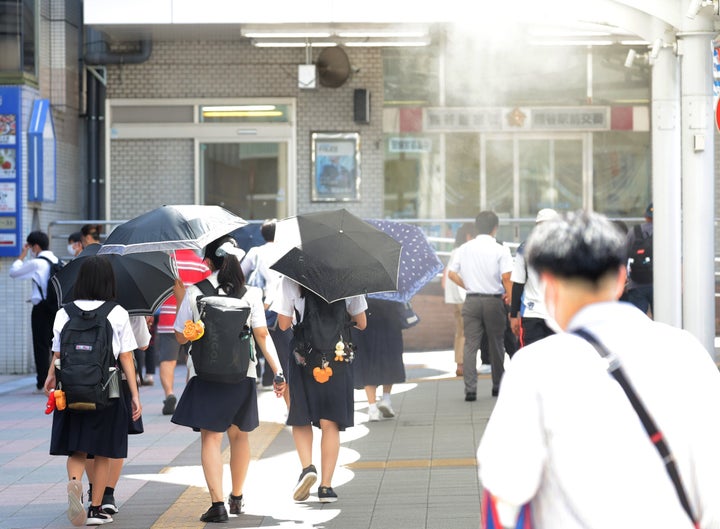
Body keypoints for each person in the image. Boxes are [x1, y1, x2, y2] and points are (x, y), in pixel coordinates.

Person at [477, 210, 720, 529]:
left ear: (549, 286)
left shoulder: (535, 366)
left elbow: (507, 489)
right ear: (622, 278)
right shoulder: (687, 351)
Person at [171, 236, 285, 523]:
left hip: (204, 375)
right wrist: (278, 371)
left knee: (211, 438)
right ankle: (237, 497)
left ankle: (217, 504)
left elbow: (180, 336)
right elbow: (262, 335)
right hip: (241, 373)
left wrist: (184, 307)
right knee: (239, 435)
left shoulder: (195, 291)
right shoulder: (251, 294)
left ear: (207, 261)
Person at [43, 255, 142, 526]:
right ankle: (96, 509)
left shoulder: (64, 312)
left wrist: (50, 377)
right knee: (102, 452)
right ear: (109, 281)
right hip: (106, 390)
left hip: (71, 389)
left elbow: (57, 351)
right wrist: (134, 394)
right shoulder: (117, 312)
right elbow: (126, 358)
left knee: (77, 450)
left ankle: (75, 485)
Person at [275, 277, 367, 504]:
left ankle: (307, 468)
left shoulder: (291, 279)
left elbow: (284, 324)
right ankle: (326, 487)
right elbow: (362, 323)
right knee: (330, 423)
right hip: (337, 358)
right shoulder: (349, 279)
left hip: (303, 358)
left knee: (301, 417)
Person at [447, 211, 513, 401]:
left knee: (470, 345)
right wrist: (511, 298)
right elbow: (507, 278)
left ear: (477, 227)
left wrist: (467, 285)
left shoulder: (465, 248)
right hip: (493, 301)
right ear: (495, 227)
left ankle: (470, 390)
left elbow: (451, 274)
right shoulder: (501, 249)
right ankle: (497, 387)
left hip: (472, 300)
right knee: (497, 343)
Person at [241, 218, 292, 401]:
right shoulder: (287, 250)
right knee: (284, 349)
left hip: (260, 305)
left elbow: (240, 273)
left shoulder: (256, 252)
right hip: (284, 306)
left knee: (259, 341)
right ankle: (283, 387)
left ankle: (264, 373)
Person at [157, 249, 210, 415]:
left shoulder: (167, 263)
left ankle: (169, 394)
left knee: (168, 360)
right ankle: (189, 397)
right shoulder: (201, 264)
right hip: (193, 320)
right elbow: (207, 292)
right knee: (192, 359)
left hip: (168, 316)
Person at [9, 230, 61, 392]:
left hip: (40, 309)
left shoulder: (37, 263)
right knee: (57, 345)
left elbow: (14, 272)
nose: (30, 250)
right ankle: (58, 379)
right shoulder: (57, 260)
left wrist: (21, 256)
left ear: (36, 246)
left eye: (30, 247)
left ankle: (42, 381)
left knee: (40, 345)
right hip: (56, 309)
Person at [509, 208, 559, 347]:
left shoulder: (524, 248)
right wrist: (513, 314)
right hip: (554, 314)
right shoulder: (566, 248)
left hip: (533, 313)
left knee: (532, 359)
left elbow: (518, 284)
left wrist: (513, 315)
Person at [351, 298, 405, 422]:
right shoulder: (390, 283)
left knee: (367, 360)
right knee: (390, 357)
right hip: (390, 313)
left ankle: (372, 408)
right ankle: (386, 399)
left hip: (364, 314)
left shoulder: (359, 282)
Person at [442, 222, 484, 377]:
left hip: (456, 298)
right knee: (468, 331)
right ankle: (464, 365)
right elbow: (456, 275)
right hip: (464, 297)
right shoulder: (463, 251)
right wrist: (469, 286)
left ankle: (461, 364)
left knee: (461, 331)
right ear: (468, 236)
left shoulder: (455, 251)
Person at [624, 203, 653, 316]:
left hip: (636, 283)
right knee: (663, 321)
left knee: (636, 321)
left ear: (646, 216)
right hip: (660, 284)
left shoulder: (634, 231)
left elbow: (624, 254)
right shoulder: (666, 232)